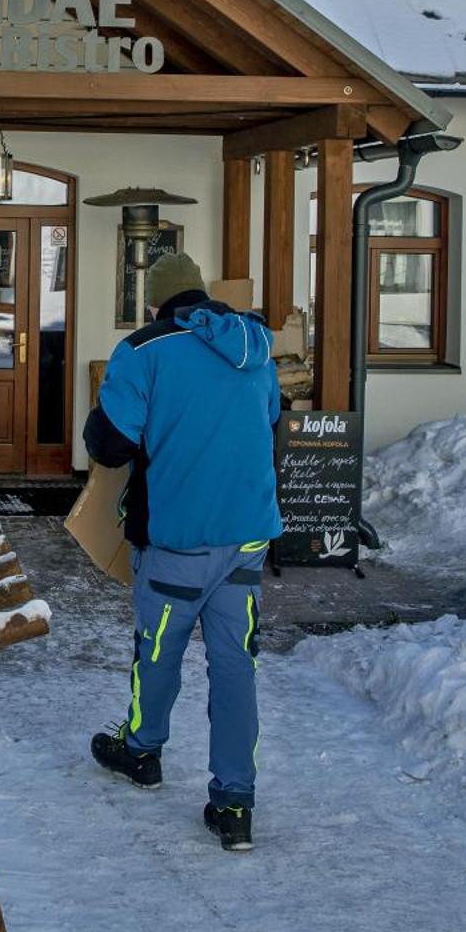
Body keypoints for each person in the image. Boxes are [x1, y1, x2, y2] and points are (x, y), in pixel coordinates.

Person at [82, 250, 283, 852]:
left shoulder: (143, 351)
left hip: (178, 538)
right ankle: (234, 803)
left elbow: (111, 445)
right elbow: (271, 419)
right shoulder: (255, 345)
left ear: (155, 302)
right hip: (247, 534)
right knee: (234, 663)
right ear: (203, 296)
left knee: (159, 649)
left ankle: (141, 751)